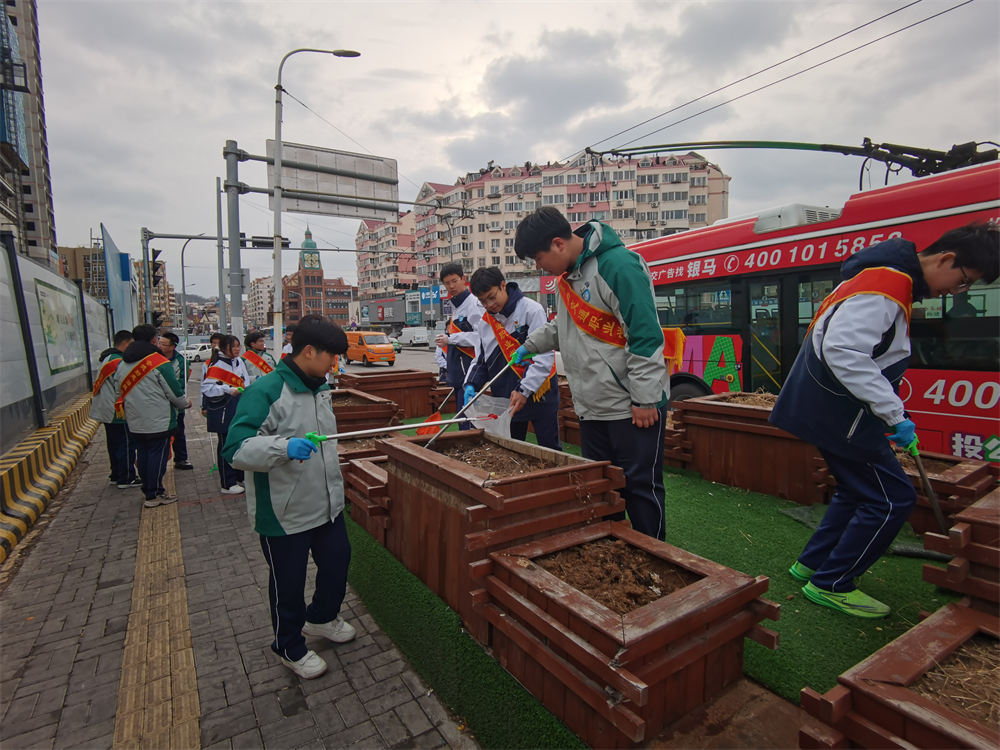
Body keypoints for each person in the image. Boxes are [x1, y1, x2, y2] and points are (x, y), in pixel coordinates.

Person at [770, 222, 1000, 618]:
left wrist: (893, 412)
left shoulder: (887, 279)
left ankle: (813, 563)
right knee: (893, 499)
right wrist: (894, 414)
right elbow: (844, 351)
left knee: (854, 490)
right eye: (964, 280)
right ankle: (833, 583)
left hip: (835, 412)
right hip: (844, 416)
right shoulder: (888, 285)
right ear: (946, 259)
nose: (958, 291)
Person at [512, 207, 669, 540]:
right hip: (592, 407)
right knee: (602, 488)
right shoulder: (568, 278)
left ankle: (654, 554)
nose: (539, 267)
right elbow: (563, 326)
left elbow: (644, 334)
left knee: (639, 488)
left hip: (629, 407)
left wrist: (644, 399)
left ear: (558, 244)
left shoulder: (618, 265)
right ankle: (613, 551)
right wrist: (530, 345)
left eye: (538, 259)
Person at [223, 315, 356, 680]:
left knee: (337, 562)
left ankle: (322, 617)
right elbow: (235, 449)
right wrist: (283, 447)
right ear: (309, 351)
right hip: (283, 513)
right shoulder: (266, 391)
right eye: (331, 356)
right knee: (289, 584)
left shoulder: (319, 387)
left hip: (326, 505)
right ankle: (289, 646)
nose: (335, 364)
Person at [464, 266, 561, 451]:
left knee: (549, 447)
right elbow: (482, 360)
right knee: (511, 451)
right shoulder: (485, 323)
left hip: (539, 393)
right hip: (507, 399)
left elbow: (543, 356)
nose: (489, 305)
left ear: (503, 285)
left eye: (492, 297)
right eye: (483, 301)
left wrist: (524, 390)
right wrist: (471, 385)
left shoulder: (531, 310)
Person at [114, 324, 191, 508]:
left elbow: (118, 391)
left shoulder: (123, 363)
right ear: (154, 340)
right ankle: (154, 493)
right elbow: (174, 391)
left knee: (142, 454)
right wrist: (184, 404)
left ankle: (148, 492)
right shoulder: (159, 362)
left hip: (134, 419)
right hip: (159, 420)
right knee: (158, 455)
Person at [434, 263, 484, 429]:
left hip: (469, 371)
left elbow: (480, 337)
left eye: (454, 281)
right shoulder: (457, 305)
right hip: (458, 371)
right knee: (462, 418)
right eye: (447, 283)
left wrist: (451, 339)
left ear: (463, 279)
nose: (451, 286)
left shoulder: (474, 304)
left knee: (469, 420)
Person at [201, 335, 249, 494]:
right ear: (224, 347)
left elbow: (245, 381)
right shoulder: (216, 364)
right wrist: (227, 390)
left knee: (239, 442)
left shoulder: (239, 361)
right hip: (223, 409)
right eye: (233, 346)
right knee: (226, 445)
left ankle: (240, 476)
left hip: (239, 406)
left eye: (238, 345)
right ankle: (227, 483)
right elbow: (206, 389)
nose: (237, 349)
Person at [92, 329, 139, 488]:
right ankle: (126, 477)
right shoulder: (118, 362)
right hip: (117, 410)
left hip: (107, 409)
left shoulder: (108, 358)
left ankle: (116, 474)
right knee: (125, 443)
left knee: (114, 444)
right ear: (125, 344)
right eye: (132, 344)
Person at [158, 331, 194, 470]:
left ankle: (181, 458)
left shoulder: (181, 362)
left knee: (178, 432)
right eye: (159, 342)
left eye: (163, 344)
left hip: (175, 403)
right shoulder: (154, 358)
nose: (160, 346)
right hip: (158, 404)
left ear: (172, 346)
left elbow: (180, 384)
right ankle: (160, 459)